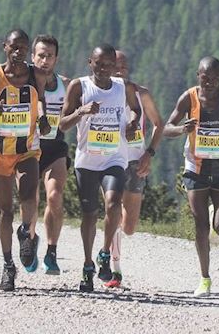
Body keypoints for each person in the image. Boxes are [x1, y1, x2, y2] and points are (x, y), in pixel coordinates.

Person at [58, 44, 143, 294]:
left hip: (114, 158)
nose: (105, 69)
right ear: (90, 62)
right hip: (87, 160)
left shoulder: (122, 87)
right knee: (89, 214)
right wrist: (82, 111)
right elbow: (62, 125)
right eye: (100, 63)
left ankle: (105, 253)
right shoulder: (79, 86)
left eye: (110, 64)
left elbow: (136, 110)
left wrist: (133, 122)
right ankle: (87, 265)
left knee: (113, 203)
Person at [163, 55, 219, 296]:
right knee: (200, 225)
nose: (208, 82)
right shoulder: (188, 98)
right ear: (197, 75)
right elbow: (166, 127)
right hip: (195, 167)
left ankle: (215, 222)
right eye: (204, 77)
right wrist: (182, 129)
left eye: (213, 78)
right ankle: (205, 279)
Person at [0, 29, 49, 292]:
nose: (18, 52)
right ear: (4, 46)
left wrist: (42, 118)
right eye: (13, 47)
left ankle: (26, 231)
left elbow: (40, 100)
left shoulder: (35, 74)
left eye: (23, 47)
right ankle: (8, 265)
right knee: (5, 212)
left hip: (28, 147)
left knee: (29, 195)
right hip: (1, 150)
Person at [108, 48, 163, 288]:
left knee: (129, 226)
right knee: (112, 210)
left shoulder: (141, 93)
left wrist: (149, 154)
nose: (119, 71)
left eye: (123, 67)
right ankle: (114, 269)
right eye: (115, 66)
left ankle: (116, 237)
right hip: (109, 160)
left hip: (135, 161)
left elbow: (158, 124)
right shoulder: (102, 92)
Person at [30, 33, 70, 275]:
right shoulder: (24, 84)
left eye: (50, 56)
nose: (45, 61)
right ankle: (30, 240)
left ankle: (51, 252)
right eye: (41, 55)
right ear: (32, 56)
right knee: (31, 202)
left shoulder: (66, 84)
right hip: (29, 149)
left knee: (54, 196)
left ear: (56, 59)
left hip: (55, 147)